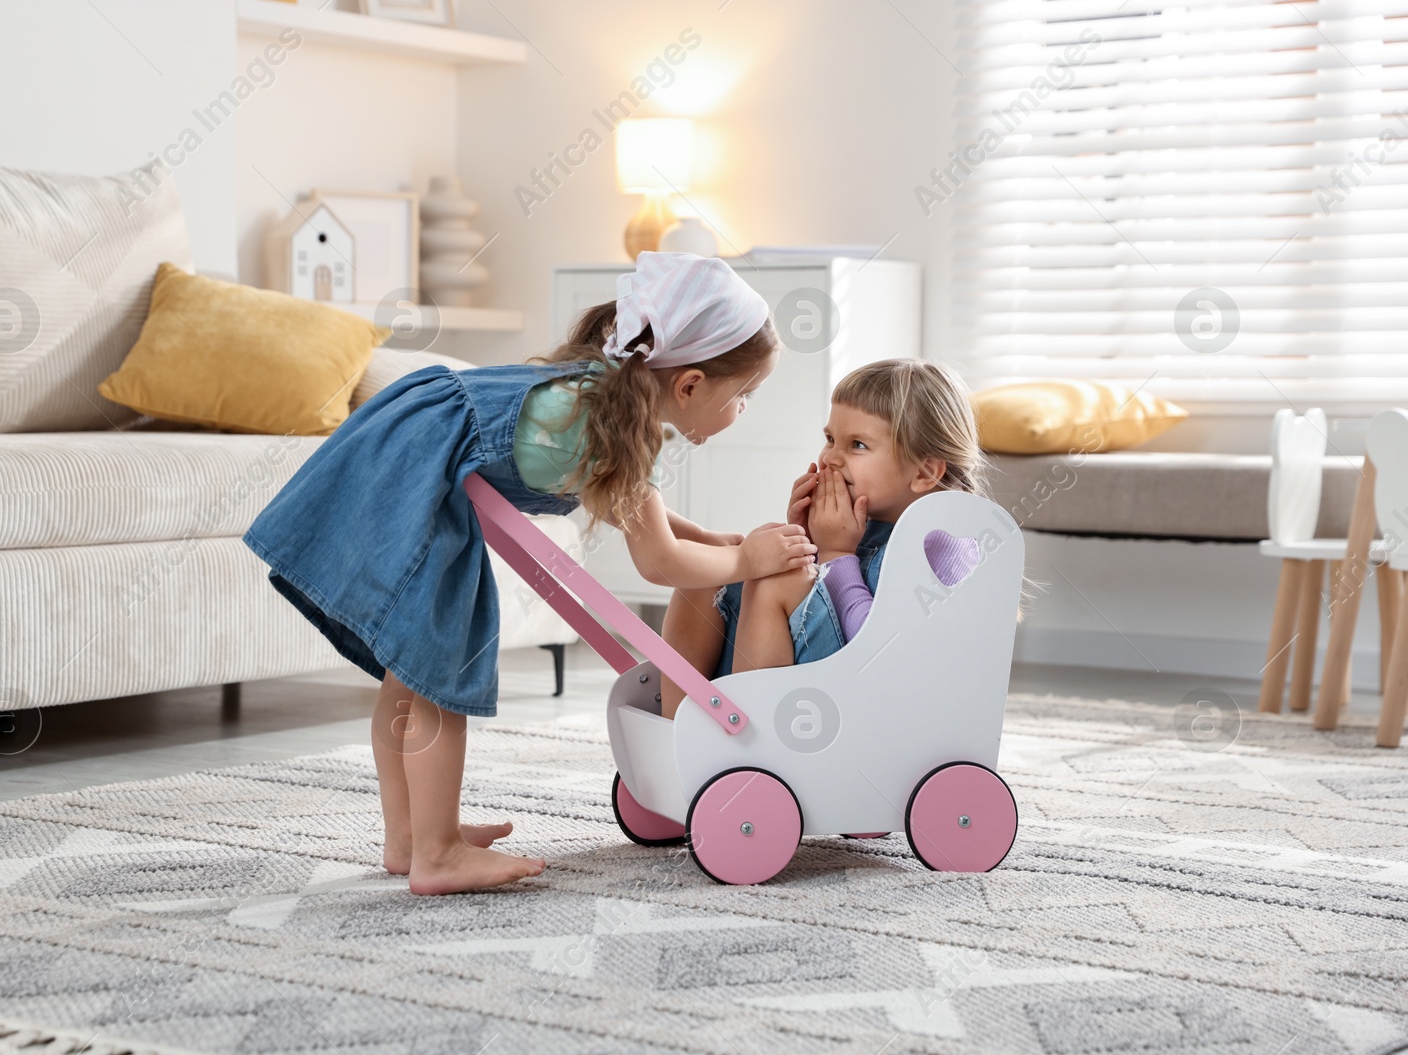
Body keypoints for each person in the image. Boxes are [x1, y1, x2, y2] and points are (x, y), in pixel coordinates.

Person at [242, 252, 805, 894]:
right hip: (418, 477)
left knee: (408, 676)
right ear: (691, 384)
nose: (742, 413)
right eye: (743, 398)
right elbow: (658, 562)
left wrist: (704, 538)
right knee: (434, 675)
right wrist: (746, 560)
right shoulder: (619, 425)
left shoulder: (604, 395)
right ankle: (438, 853)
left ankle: (408, 838)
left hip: (405, 455)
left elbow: (635, 510)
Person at [657, 358, 984, 717]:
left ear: (924, 472)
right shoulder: (867, 519)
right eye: (830, 439)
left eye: (857, 444)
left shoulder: (940, 545)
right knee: (715, 566)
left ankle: (747, 742)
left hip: (869, 707)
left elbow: (883, 651)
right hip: (817, 685)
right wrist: (805, 539)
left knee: (780, 579)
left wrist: (835, 552)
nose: (831, 458)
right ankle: (677, 727)